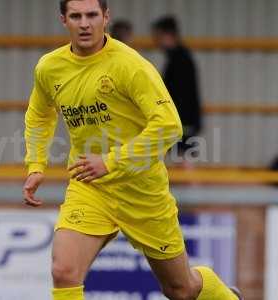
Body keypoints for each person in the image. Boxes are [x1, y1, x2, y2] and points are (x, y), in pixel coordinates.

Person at [23, 1, 241, 299]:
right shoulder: (50, 67)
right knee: (63, 271)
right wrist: (36, 166)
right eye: (76, 16)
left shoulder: (130, 65)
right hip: (91, 186)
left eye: (92, 15)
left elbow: (168, 125)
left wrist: (111, 161)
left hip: (142, 190)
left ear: (105, 17)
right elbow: (39, 114)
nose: (84, 23)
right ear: (64, 20)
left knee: (181, 289)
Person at [151, 16, 202, 159]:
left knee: (183, 160)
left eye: (158, 36)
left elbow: (181, 94)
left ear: (168, 35)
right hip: (181, 119)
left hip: (183, 120)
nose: (156, 41)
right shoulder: (176, 57)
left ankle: (191, 182)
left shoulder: (180, 59)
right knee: (180, 160)